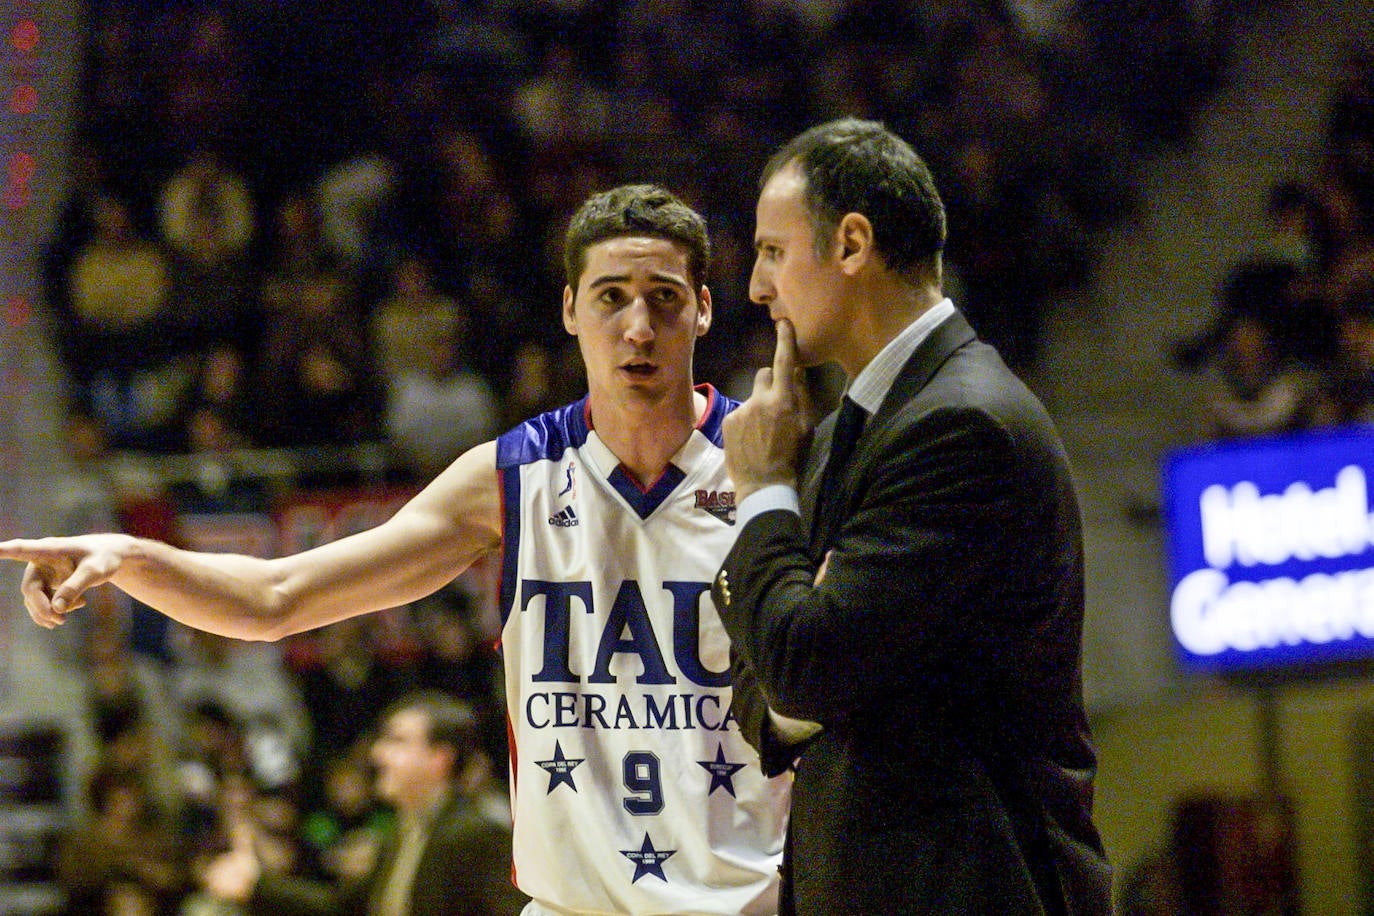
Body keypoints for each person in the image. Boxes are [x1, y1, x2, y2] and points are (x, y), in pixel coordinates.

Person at [4, 184, 789, 915]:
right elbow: (276, 598)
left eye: (664, 299)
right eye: (611, 298)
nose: (639, 327)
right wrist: (129, 554)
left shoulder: (773, 460)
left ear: (706, 311)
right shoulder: (512, 476)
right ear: (569, 311)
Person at [712, 118, 1113, 914]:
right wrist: (804, 660)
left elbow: (797, 662)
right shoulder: (839, 435)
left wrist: (760, 489)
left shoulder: (960, 423)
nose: (758, 288)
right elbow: (760, 695)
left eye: (773, 252)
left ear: (852, 243)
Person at [197, 689, 525, 915]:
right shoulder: (404, 831)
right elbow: (340, 908)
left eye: (396, 741)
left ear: (439, 758)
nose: (377, 754)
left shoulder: (475, 833)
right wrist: (255, 885)